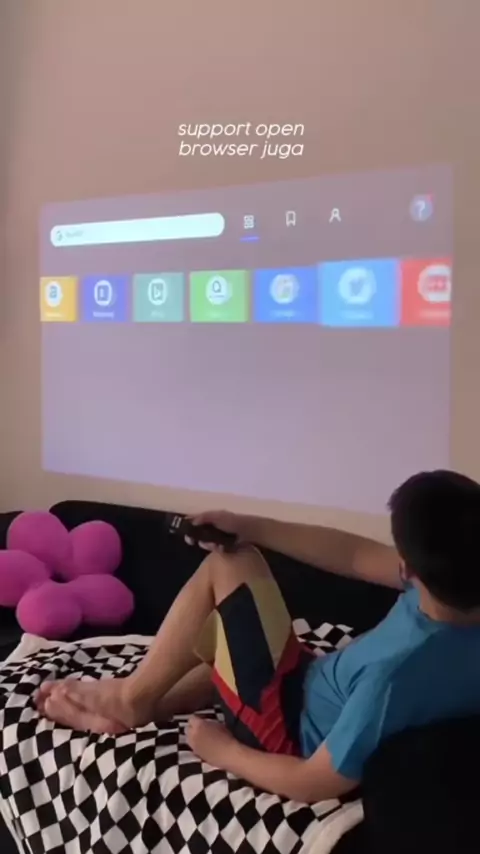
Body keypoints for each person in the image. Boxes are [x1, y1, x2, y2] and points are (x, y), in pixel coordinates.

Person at [35, 470, 480, 804]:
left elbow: (315, 782)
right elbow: (354, 554)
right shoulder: (455, 588)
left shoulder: (392, 678)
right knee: (222, 641)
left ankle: (129, 699)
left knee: (228, 564)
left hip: (283, 730)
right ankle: (148, 705)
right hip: (309, 680)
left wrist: (224, 752)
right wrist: (249, 525)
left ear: (408, 569)